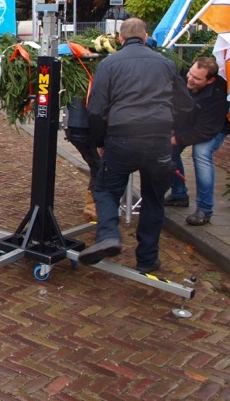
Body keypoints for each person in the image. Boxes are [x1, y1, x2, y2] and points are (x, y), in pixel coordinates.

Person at [79, 18, 193, 272]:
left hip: (122, 138)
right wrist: (172, 129)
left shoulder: (109, 64)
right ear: (146, 37)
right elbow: (186, 104)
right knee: (153, 198)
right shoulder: (165, 63)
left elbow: (96, 110)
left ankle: (109, 235)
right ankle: (147, 259)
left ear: (120, 39)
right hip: (158, 141)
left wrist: (100, 142)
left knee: (106, 190)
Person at [165, 57, 230, 226]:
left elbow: (204, 132)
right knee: (168, 151)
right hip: (190, 121)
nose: (190, 79)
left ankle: (204, 209)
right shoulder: (185, 79)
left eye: (197, 78)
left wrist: (176, 139)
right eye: (190, 74)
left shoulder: (217, 96)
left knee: (201, 153)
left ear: (210, 80)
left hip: (213, 128)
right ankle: (179, 194)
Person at [64, 95, 101, 222]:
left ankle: (94, 208)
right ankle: (95, 209)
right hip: (86, 126)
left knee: (96, 166)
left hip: (73, 125)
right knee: (100, 167)